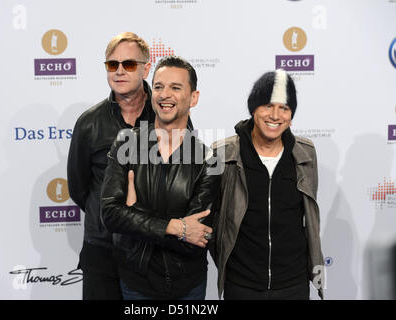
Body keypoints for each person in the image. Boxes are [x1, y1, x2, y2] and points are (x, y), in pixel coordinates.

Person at [100, 56, 220, 300]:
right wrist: (176, 227)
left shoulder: (208, 159)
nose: (165, 95)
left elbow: (197, 237)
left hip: (189, 286)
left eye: (176, 88)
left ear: (193, 98)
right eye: (158, 87)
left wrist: (135, 212)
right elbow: (110, 214)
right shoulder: (127, 143)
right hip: (137, 284)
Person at [210, 69, 324, 300]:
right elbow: (211, 219)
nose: (275, 115)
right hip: (242, 285)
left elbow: (308, 215)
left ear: (291, 115)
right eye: (268, 105)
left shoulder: (306, 153)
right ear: (254, 108)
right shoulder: (223, 153)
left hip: (294, 284)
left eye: (284, 107)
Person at [67, 32, 155, 300]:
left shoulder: (170, 116)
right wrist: (111, 214)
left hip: (153, 248)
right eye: (111, 64)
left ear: (146, 69)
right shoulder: (88, 123)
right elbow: (79, 189)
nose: (119, 71)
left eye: (128, 64)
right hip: (102, 248)